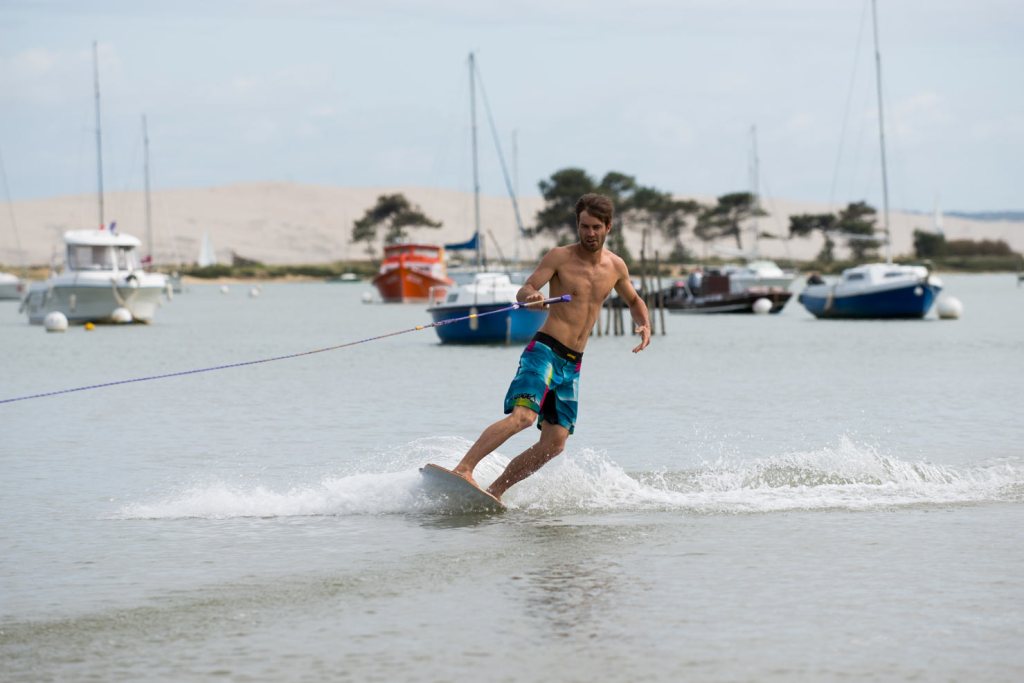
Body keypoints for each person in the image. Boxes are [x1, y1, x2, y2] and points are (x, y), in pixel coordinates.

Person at [452, 193, 651, 501]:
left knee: (554, 444)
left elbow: (635, 301)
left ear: (608, 227)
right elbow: (526, 288)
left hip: (572, 364)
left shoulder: (615, 267)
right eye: (584, 226)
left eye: (596, 227)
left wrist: (643, 324)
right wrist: (531, 296)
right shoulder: (559, 257)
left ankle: (495, 492)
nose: (589, 233)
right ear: (578, 224)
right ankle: (463, 469)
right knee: (524, 417)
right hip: (544, 351)